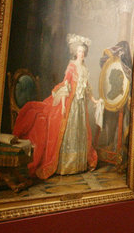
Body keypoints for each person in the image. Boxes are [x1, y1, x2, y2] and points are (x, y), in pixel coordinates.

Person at [13, 34, 99, 180]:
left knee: (80, 131)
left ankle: (78, 164)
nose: (81, 54)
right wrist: (64, 106)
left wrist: (94, 100)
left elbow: (87, 88)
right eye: (79, 51)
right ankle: (66, 165)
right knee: (68, 131)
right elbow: (66, 85)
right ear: (75, 52)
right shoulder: (71, 66)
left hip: (80, 106)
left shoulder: (84, 68)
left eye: (83, 51)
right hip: (71, 104)